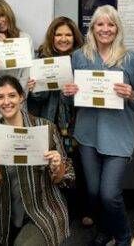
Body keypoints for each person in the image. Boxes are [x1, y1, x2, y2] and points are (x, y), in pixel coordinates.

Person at [68, 5, 134, 246]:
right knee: (92, 191)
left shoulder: (130, 59)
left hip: (118, 135)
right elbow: (69, 98)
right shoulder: (80, 57)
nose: (105, 29)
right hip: (88, 134)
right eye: (100, 24)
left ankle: (123, 236)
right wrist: (68, 93)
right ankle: (105, 229)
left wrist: (132, 95)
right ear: (92, 28)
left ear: (117, 29)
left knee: (109, 194)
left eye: (110, 24)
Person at [0, 75, 75, 246]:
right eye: (0, 97)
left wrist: (58, 168)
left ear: (22, 97)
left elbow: (69, 178)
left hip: (44, 212)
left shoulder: (45, 128)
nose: (6, 102)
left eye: (12, 95)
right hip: (9, 216)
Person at [26, 17, 89, 225]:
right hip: (47, 121)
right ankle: (48, 209)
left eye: (68, 35)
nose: (63, 39)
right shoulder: (40, 59)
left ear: (75, 37)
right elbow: (37, 101)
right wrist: (34, 89)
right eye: (59, 34)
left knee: (74, 166)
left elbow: (85, 97)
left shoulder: (82, 59)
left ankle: (77, 210)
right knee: (48, 164)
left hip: (72, 122)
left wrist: (74, 91)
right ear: (52, 37)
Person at [0, 0, 34, 122]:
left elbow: (27, 73)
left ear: (8, 15)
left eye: (2, 15)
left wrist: (17, 100)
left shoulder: (25, 38)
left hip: (18, 103)